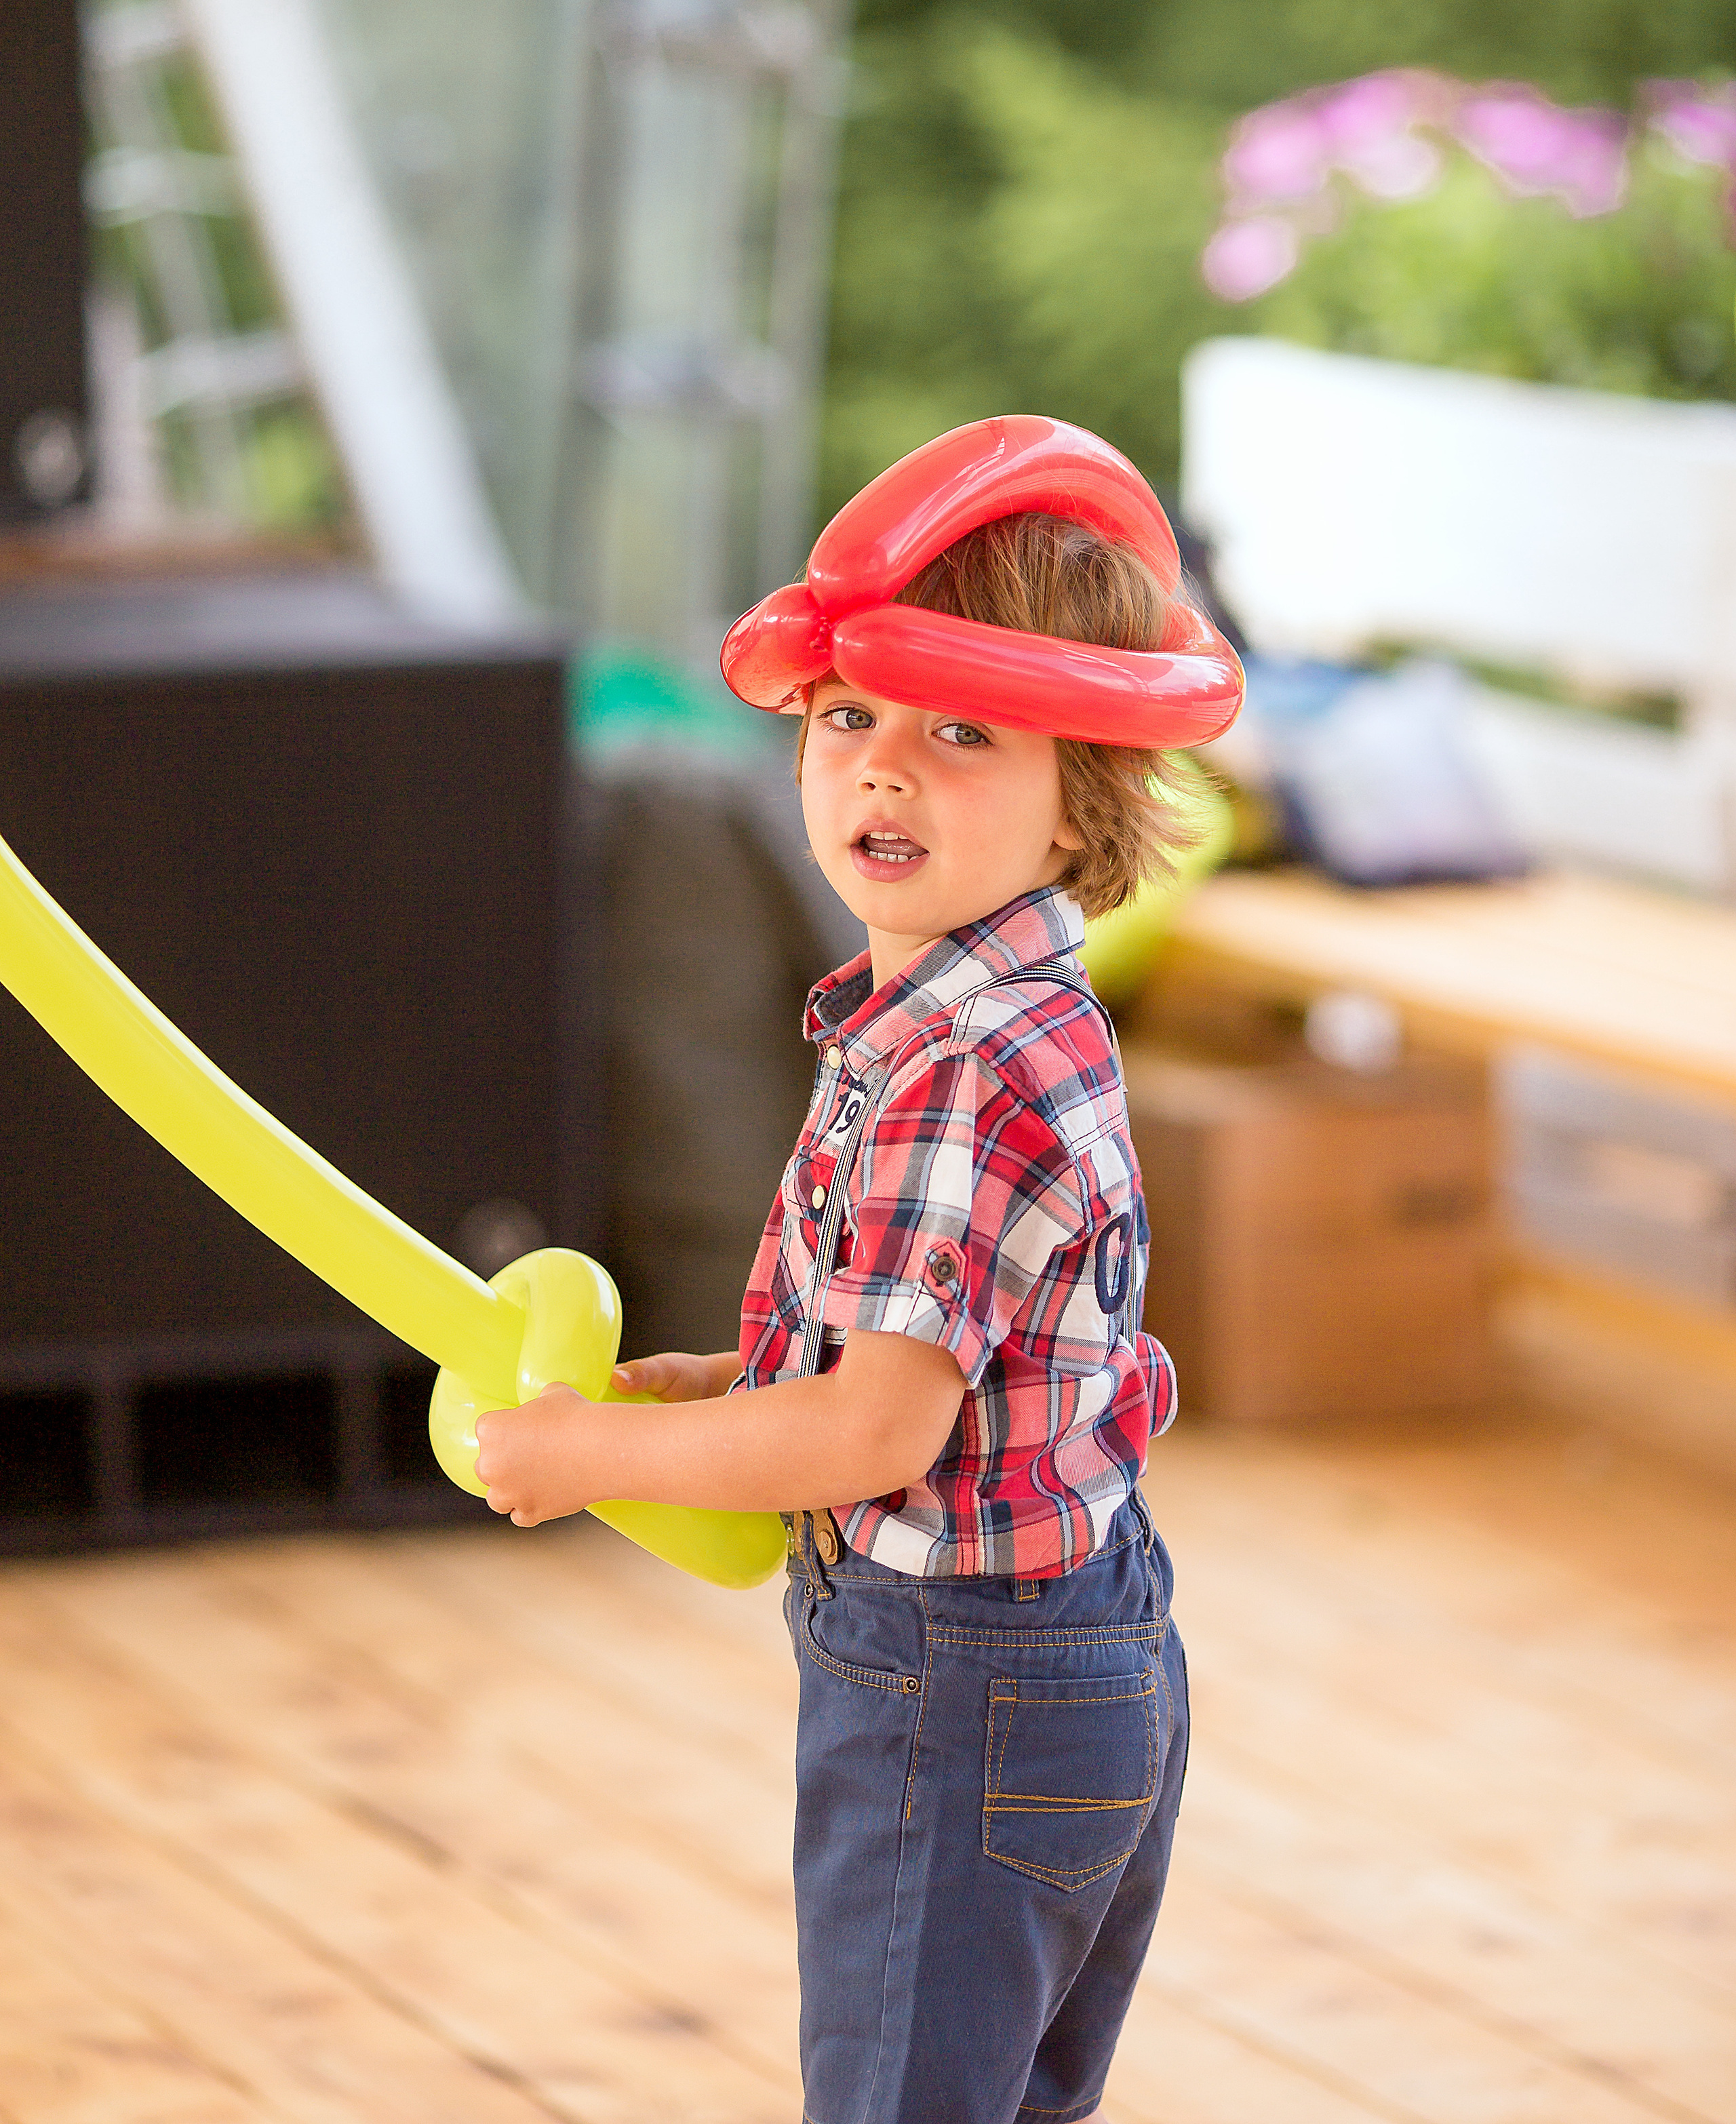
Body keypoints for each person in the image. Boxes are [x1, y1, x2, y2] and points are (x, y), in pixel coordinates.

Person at [474, 416, 1244, 2124]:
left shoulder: (953, 1067)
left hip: (957, 1687)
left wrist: (589, 1458)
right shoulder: (1002, 1011)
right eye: (848, 720)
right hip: (1083, 1650)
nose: (881, 770)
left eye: (960, 729)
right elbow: (909, 1366)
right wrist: (723, 1391)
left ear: (1086, 793)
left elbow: (874, 1436)